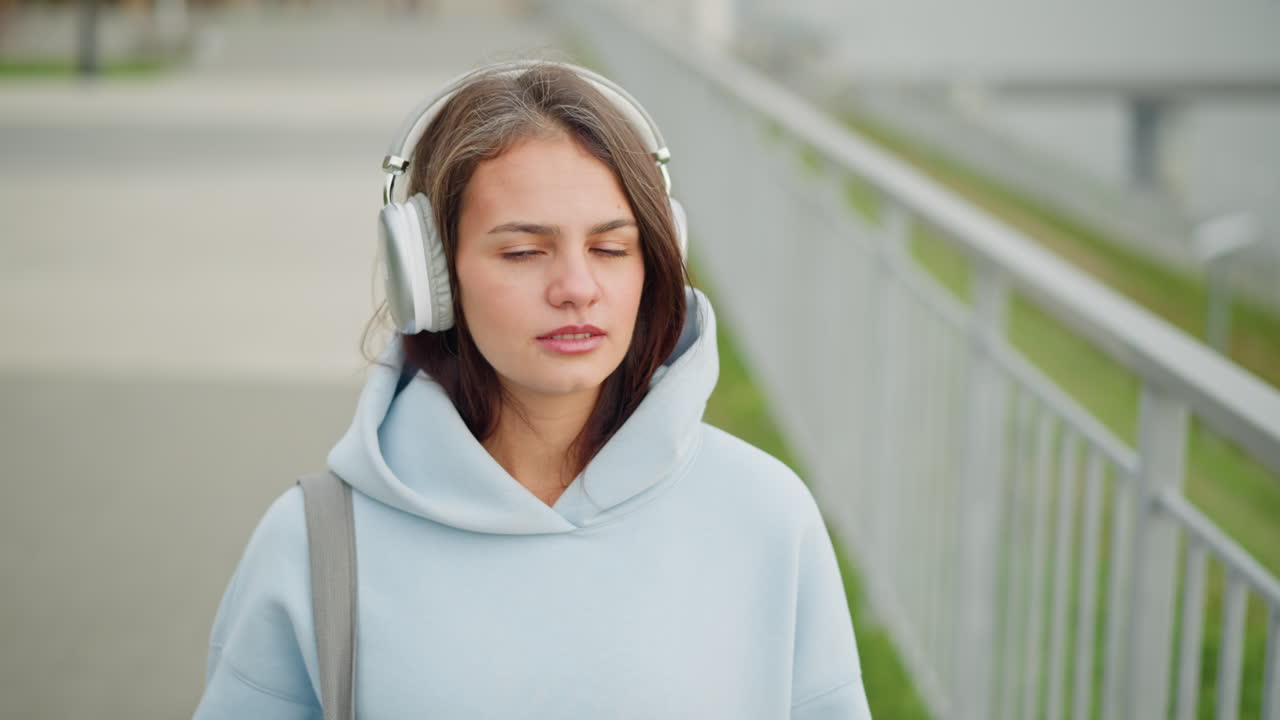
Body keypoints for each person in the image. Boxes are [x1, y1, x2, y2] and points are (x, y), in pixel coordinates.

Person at [194, 59, 872, 719]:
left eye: (611, 249)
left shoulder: (767, 518)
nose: (577, 288)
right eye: (523, 252)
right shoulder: (317, 544)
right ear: (429, 278)